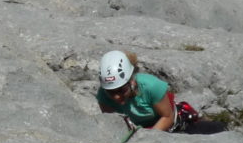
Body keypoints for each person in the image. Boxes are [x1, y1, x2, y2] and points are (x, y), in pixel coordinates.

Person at [95, 50, 226, 135]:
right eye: (111, 92)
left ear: (132, 81)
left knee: (218, 130)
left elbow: (167, 116)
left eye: (122, 90)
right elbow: (112, 122)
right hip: (140, 131)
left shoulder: (151, 86)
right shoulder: (103, 95)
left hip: (176, 126)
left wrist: (148, 138)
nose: (117, 97)